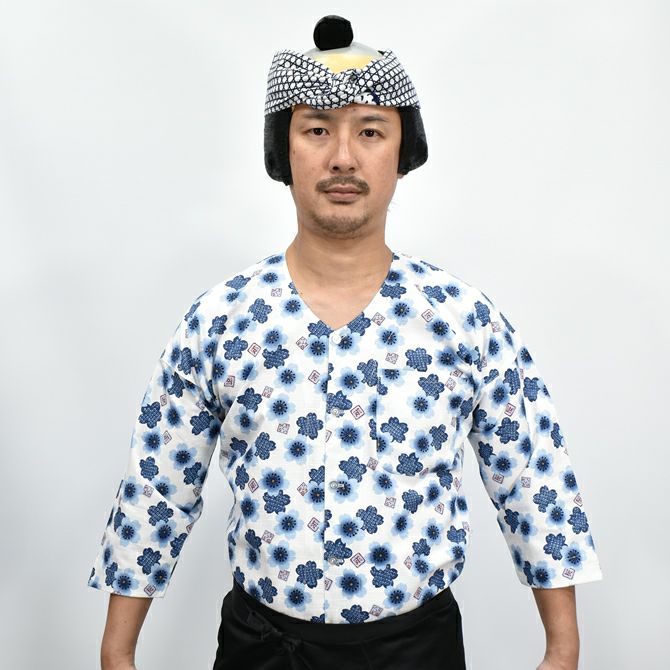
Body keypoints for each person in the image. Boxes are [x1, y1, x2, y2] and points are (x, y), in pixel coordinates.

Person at [88, 15, 604, 670]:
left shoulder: (462, 319)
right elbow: (159, 483)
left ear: (402, 151)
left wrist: (562, 646)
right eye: (316, 130)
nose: (342, 157)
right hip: (263, 650)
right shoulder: (221, 320)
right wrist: (117, 651)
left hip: (415, 652)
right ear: (283, 151)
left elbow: (531, 475)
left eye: (370, 131)